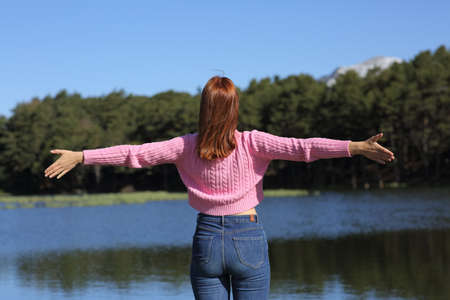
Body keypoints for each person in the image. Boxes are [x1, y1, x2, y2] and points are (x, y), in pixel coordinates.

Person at [44, 76, 395, 299]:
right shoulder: (253, 142)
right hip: (248, 238)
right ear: (234, 109)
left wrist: (82, 155)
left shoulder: (184, 145)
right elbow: (304, 148)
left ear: (204, 109)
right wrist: (356, 146)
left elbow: (136, 155)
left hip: (207, 240)